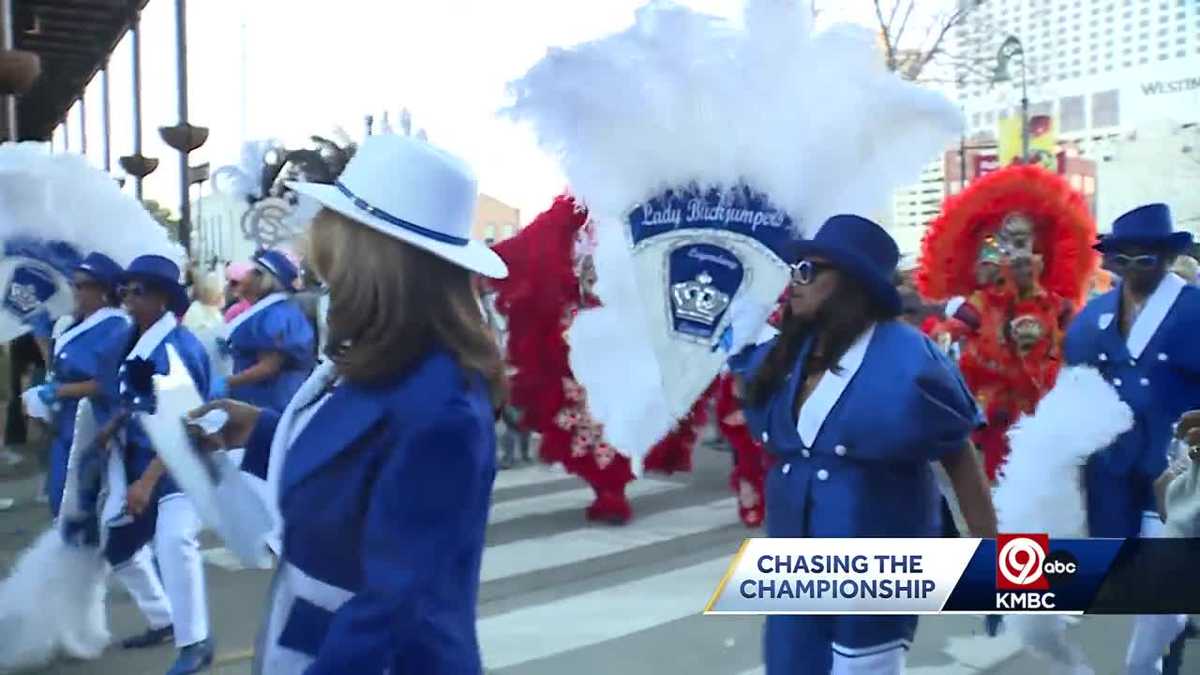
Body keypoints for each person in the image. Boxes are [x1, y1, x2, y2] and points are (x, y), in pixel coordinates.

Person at [193, 134, 507, 674]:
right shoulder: (385, 348)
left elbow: (397, 604)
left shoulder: (443, 405)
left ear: (370, 256)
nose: (322, 263)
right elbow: (355, 462)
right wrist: (262, 431)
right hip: (319, 628)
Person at [725, 215, 997, 674]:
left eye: (810, 272)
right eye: (795, 269)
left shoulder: (909, 357)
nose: (796, 281)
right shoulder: (785, 352)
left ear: (851, 284)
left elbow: (961, 461)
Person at [1063, 203, 1200, 675]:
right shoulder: (1093, 317)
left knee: (1158, 606)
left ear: (1166, 257)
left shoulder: (1194, 311)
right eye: (1126, 258)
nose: (1137, 268)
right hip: (1110, 478)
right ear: (1113, 260)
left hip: (1174, 474)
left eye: (1149, 258)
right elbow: (1074, 389)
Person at [102, 254, 215, 675]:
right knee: (119, 548)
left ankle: (195, 642)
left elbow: (185, 423)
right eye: (125, 289)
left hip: (177, 466)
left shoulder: (175, 347)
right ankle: (165, 620)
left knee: (173, 543)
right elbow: (138, 400)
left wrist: (147, 482)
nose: (128, 297)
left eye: (139, 290)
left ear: (164, 299)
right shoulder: (141, 339)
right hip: (140, 460)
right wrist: (113, 423)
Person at [29, 253, 129, 517]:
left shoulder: (117, 326)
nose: (74, 290)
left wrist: (57, 391)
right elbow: (59, 367)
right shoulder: (75, 323)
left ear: (104, 291)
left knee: (86, 504)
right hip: (65, 426)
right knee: (60, 498)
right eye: (74, 283)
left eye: (81, 285)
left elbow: (106, 383)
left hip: (95, 425)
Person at [214, 249, 314, 411]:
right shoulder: (270, 310)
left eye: (253, 272)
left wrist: (226, 382)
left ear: (264, 278)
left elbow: (268, 367)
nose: (246, 276)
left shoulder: (277, 315)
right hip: (259, 400)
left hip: (269, 402)